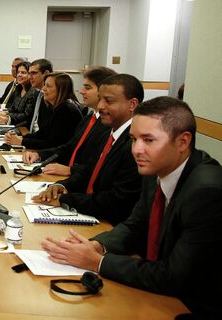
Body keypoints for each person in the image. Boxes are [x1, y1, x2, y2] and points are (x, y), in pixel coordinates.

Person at [41, 96, 222, 320]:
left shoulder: (206, 192)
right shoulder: (156, 168)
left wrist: (96, 262)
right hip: (157, 299)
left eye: (148, 140)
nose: (137, 149)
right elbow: (136, 225)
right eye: (134, 139)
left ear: (182, 141)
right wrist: (97, 245)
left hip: (196, 318)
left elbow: (174, 276)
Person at [33, 74, 143, 225]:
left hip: (108, 224)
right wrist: (62, 185)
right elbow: (89, 171)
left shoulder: (135, 144)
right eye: (100, 99)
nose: (100, 106)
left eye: (108, 101)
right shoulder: (108, 133)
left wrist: (65, 199)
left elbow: (116, 200)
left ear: (132, 104)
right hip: (91, 213)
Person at [22, 66, 116, 176]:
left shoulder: (109, 125)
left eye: (88, 88)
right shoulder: (90, 118)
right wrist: (39, 155)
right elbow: (69, 147)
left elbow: (95, 165)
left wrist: (70, 171)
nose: (81, 91)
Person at [5, 72, 82, 150]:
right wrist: (20, 138)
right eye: (44, 85)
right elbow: (42, 133)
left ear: (61, 90)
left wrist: (22, 141)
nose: (43, 89)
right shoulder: (53, 106)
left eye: (48, 86)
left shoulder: (66, 110)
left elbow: (53, 144)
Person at [0, 61, 40, 127]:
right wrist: (5, 112)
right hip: (15, 124)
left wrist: (8, 117)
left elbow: (27, 116)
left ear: (30, 75)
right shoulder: (18, 88)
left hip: (24, 127)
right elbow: (13, 108)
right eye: (18, 72)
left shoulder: (34, 92)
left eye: (23, 73)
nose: (19, 75)